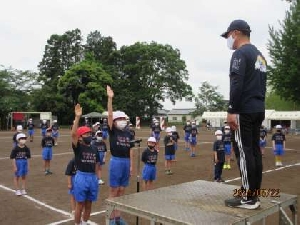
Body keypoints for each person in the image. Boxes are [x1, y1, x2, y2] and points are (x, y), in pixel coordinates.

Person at [221, 19, 267, 209]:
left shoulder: (240, 53)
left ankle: (248, 198)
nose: (228, 39)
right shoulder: (260, 55)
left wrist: (232, 110)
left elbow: (237, 83)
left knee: (243, 151)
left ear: (236, 33)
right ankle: (254, 194)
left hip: (244, 111)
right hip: (258, 108)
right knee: (255, 151)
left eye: (228, 35)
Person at [107, 85, 134, 225]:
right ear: (116, 120)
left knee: (122, 190)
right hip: (116, 162)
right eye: (121, 118)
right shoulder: (113, 131)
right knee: (114, 190)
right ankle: (110, 218)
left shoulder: (128, 132)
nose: (123, 120)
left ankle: (118, 217)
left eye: (124, 118)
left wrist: (130, 166)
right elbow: (110, 115)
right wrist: (110, 99)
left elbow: (131, 149)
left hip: (125, 162)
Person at [71, 104, 100, 225]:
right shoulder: (78, 147)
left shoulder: (94, 148)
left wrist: (97, 176)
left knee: (89, 204)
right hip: (81, 177)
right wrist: (77, 117)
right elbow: (73, 135)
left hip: (92, 177)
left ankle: (85, 222)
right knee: (80, 205)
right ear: (80, 137)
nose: (89, 135)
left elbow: (97, 163)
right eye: (86, 134)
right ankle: (77, 224)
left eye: (89, 133)